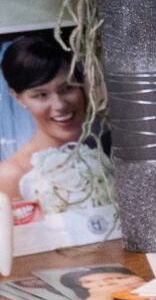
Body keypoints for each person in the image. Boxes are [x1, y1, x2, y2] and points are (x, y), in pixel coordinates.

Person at [0, 31, 107, 215]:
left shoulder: (109, 148)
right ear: (18, 98)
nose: (60, 105)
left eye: (68, 88)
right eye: (41, 95)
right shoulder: (11, 175)